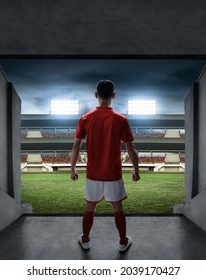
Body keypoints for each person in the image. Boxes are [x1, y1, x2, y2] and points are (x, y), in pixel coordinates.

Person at [70, 80, 140, 252]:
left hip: (93, 174)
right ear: (113, 96)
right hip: (113, 174)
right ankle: (123, 242)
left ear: (96, 95)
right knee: (118, 208)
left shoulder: (85, 118)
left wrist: (73, 168)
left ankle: (85, 240)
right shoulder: (121, 119)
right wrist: (136, 170)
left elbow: (76, 146)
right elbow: (130, 147)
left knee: (89, 208)